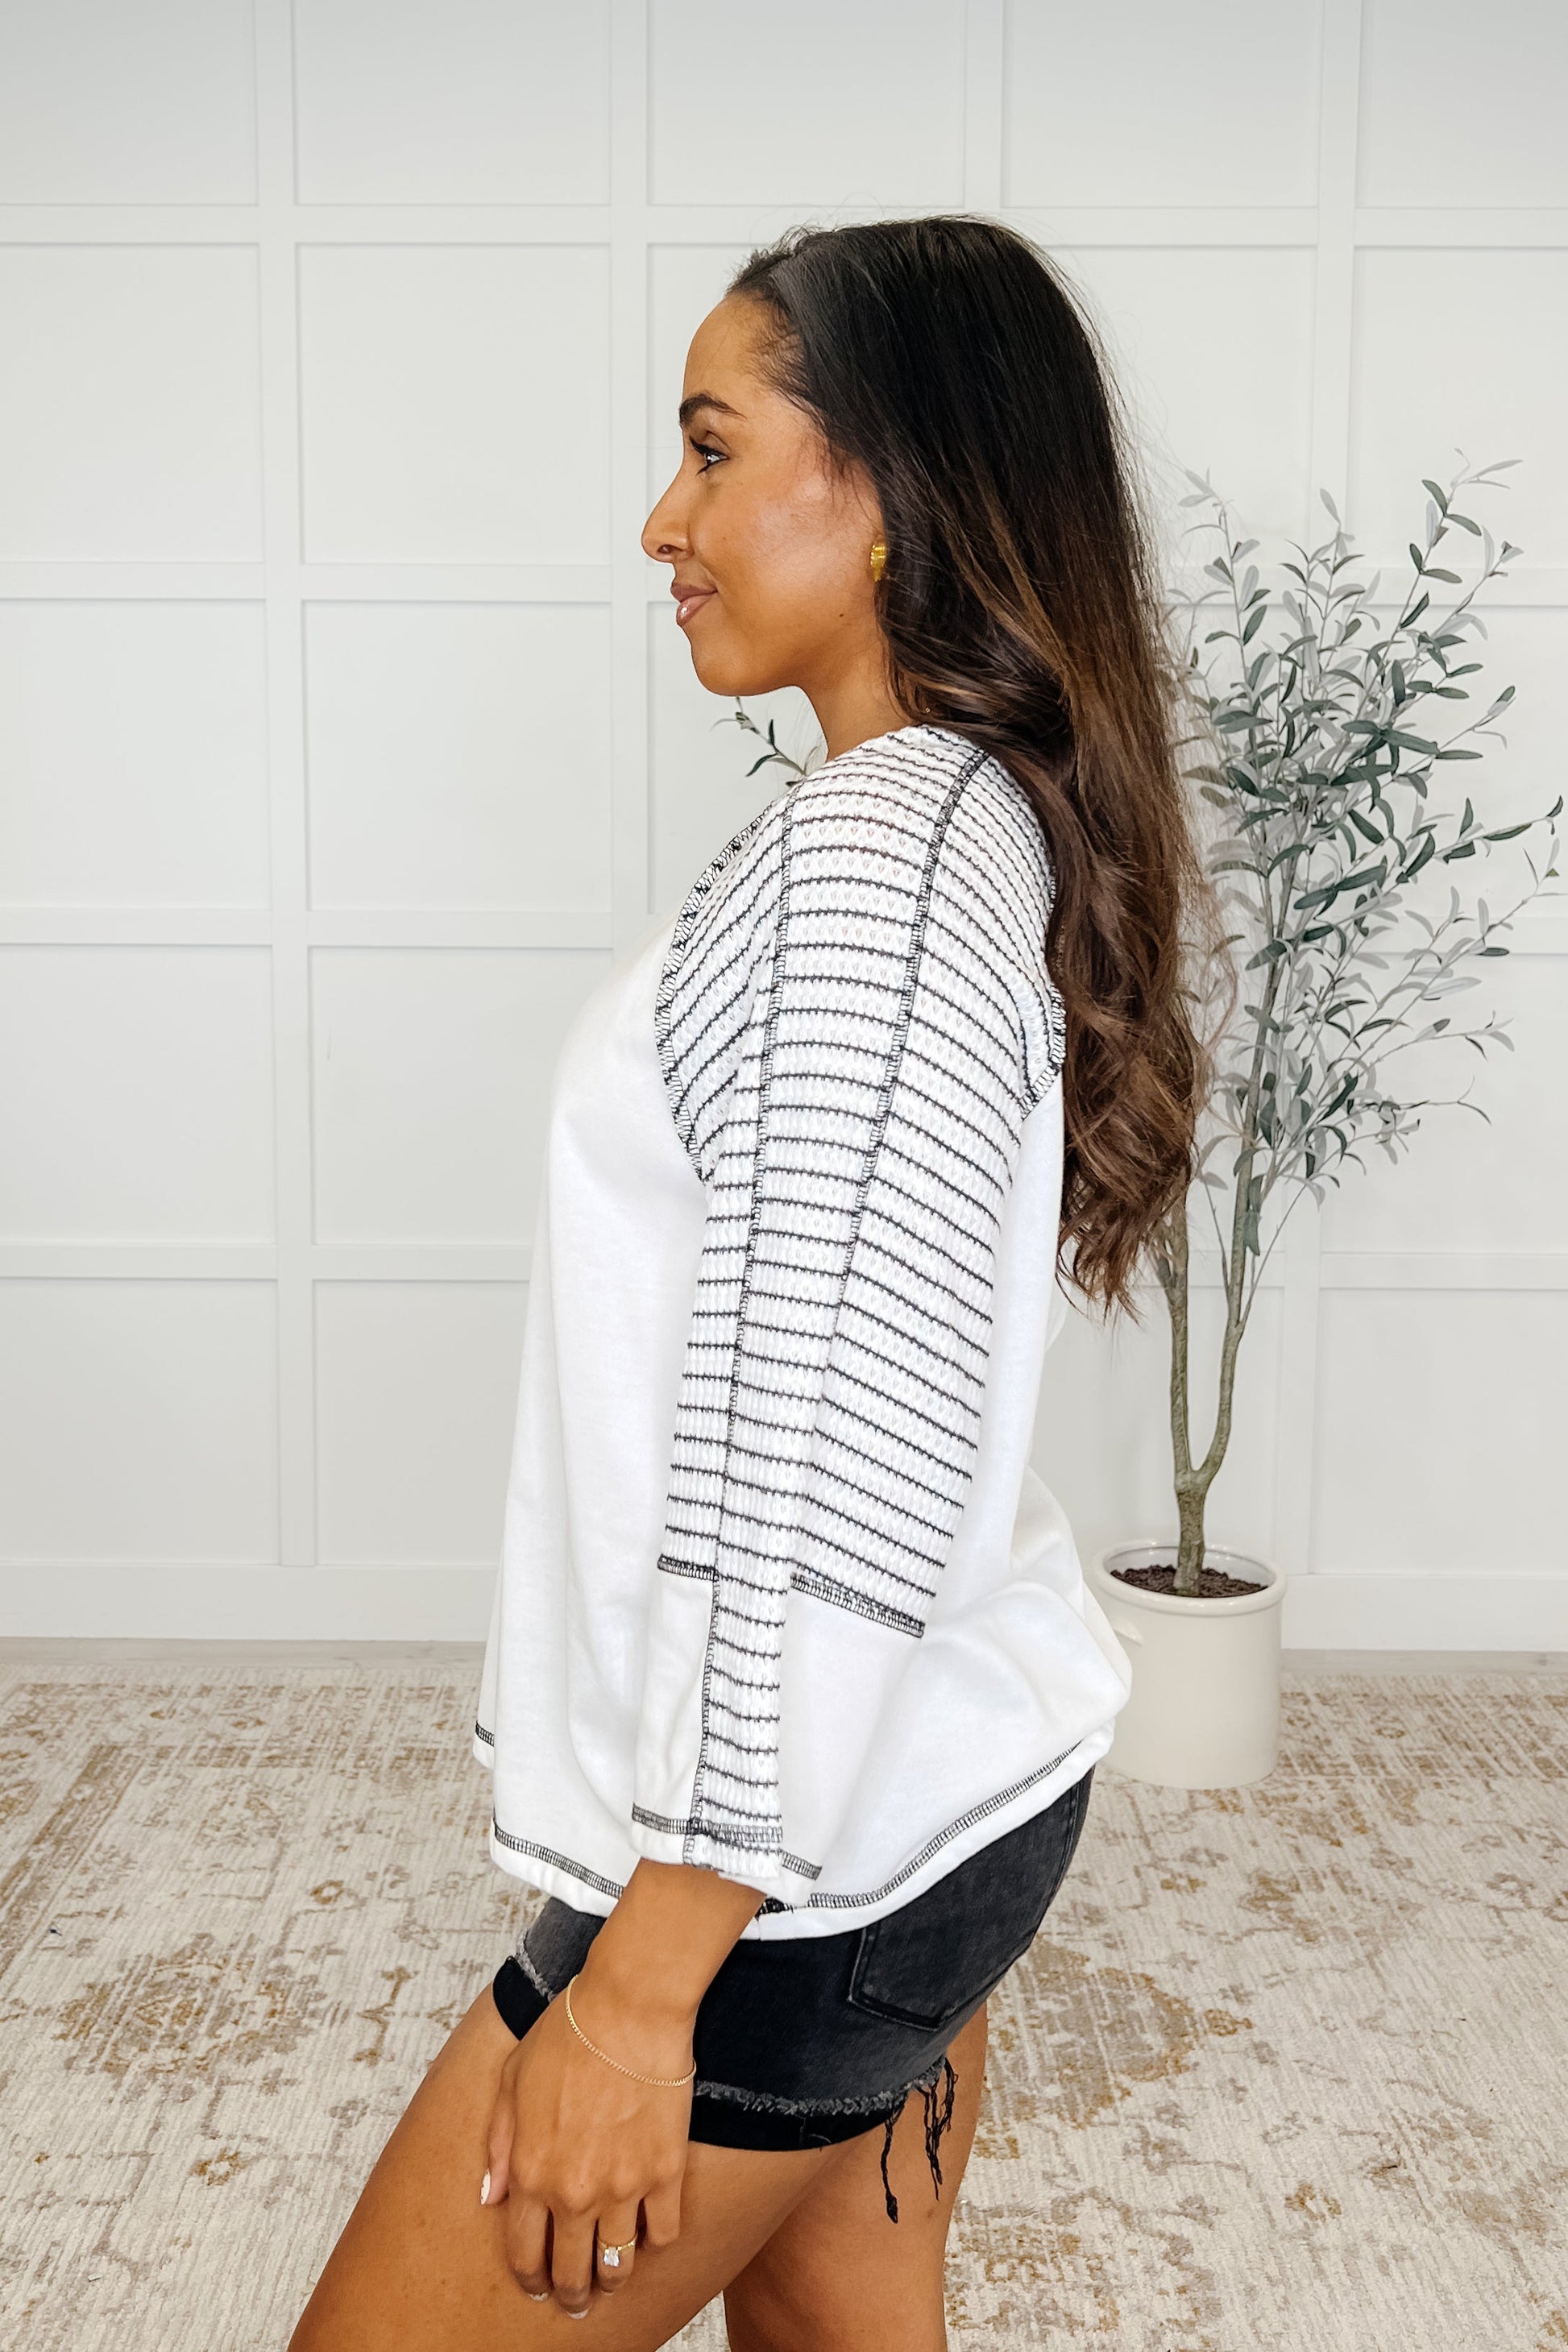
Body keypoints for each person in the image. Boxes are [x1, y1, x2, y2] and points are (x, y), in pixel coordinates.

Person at [288, 214, 1216, 2352]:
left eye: (711, 450)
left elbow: (819, 1451)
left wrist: (639, 1989)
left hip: (794, 1883)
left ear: (887, 486)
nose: (662, 521)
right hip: (917, 1802)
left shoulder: (877, 868)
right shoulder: (950, 822)